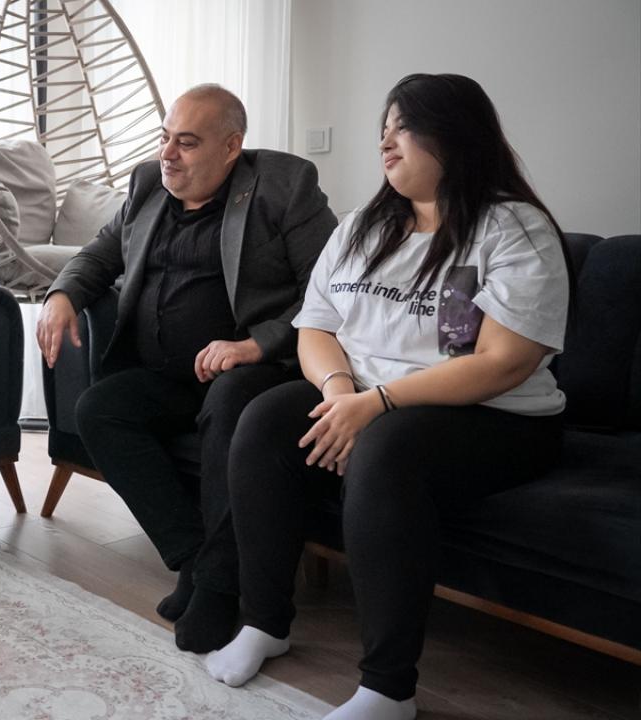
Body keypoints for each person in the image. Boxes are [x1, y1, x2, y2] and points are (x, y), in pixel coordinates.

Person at [206, 74, 572, 720]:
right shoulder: (360, 228)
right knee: (263, 421)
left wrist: (374, 407)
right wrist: (340, 391)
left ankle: (387, 688)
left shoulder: (513, 228)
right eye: (384, 128)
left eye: (403, 127)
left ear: (455, 136)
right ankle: (264, 621)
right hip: (364, 398)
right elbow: (315, 328)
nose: (385, 141)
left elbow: (502, 362)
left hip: (494, 415)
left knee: (385, 448)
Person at [35, 84, 337, 652]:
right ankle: (196, 558)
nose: (168, 154)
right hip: (169, 375)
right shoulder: (148, 184)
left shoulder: (284, 187)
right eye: (165, 137)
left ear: (231, 147)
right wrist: (62, 294)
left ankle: (220, 587)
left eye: (187, 143)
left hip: (255, 370)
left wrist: (256, 344)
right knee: (100, 409)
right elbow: (100, 252)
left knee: (229, 402)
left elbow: (329, 291)